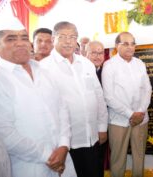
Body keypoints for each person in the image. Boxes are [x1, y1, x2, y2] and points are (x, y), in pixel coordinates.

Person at [0, 17, 76, 177]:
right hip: (27, 166)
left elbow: (62, 109)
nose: (20, 43)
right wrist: (48, 156)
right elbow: (4, 132)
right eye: (11, 39)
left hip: (63, 159)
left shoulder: (43, 71)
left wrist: (64, 145)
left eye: (24, 38)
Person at [41, 21, 108, 177]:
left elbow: (98, 96)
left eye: (72, 37)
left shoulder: (86, 64)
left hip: (92, 137)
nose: (68, 41)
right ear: (53, 39)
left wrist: (102, 127)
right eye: (62, 36)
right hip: (65, 144)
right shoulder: (44, 68)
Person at [102, 32, 152, 177]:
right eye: (125, 43)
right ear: (117, 46)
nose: (130, 47)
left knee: (139, 156)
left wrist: (140, 111)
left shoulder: (140, 63)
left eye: (132, 43)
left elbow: (147, 89)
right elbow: (109, 96)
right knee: (118, 158)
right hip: (119, 120)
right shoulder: (109, 65)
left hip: (141, 119)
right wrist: (131, 114)